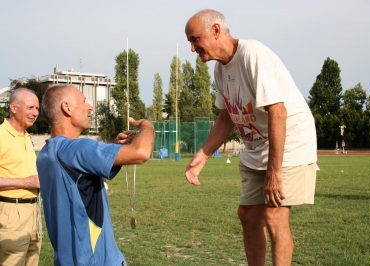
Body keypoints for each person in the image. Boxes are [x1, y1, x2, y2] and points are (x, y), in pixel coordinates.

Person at [184, 10, 317, 266]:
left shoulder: (252, 54)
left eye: (195, 39)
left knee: (274, 216)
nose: (192, 48)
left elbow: (278, 112)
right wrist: (201, 157)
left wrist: (274, 172)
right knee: (247, 214)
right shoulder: (221, 71)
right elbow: (225, 120)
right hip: (257, 145)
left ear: (215, 30)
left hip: (289, 139)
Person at [36, 84, 155, 266]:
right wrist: (147, 127)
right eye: (84, 101)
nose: (90, 107)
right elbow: (141, 152)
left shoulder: (46, 154)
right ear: (67, 108)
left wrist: (113, 148)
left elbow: (79, 184)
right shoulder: (77, 149)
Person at [0, 88, 41, 266]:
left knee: (32, 261)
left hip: (34, 212)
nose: (35, 113)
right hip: (11, 210)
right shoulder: (1, 135)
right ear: (14, 107)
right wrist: (26, 182)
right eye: (31, 108)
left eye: (37, 109)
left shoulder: (26, 136)